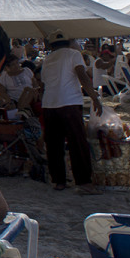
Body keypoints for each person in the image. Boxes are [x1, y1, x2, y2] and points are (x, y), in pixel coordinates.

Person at [39, 31, 101, 193]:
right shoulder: (74, 54)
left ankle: (59, 181)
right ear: (68, 42)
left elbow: (44, 83)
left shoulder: (47, 59)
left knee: (54, 145)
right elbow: (83, 76)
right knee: (77, 143)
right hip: (69, 103)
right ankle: (83, 182)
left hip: (49, 104)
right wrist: (95, 98)